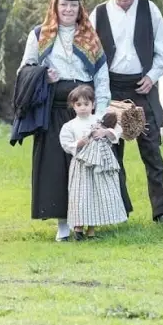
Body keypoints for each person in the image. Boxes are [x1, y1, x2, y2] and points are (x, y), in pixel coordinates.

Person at [18, 0, 110, 243]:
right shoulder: (39, 35)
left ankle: (87, 221)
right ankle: (63, 225)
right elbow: (23, 70)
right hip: (54, 110)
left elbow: (102, 78)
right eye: (64, 4)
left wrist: (99, 116)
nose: (68, 9)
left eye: (73, 5)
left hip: (85, 110)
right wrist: (42, 76)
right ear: (55, 6)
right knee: (56, 167)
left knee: (85, 166)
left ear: (80, 8)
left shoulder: (91, 37)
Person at [89, 0, 163, 225]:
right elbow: (93, 54)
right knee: (113, 152)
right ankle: (119, 212)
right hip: (112, 87)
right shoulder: (99, 13)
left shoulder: (150, 10)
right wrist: (98, 88)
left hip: (143, 85)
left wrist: (152, 77)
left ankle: (162, 213)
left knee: (152, 152)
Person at [59, 85, 127, 240]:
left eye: (86, 104)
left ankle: (91, 230)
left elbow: (117, 131)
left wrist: (104, 132)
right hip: (81, 165)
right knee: (80, 195)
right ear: (73, 106)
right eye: (79, 105)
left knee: (95, 196)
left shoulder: (99, 120)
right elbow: (66, 143)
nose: (83, 108)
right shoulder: (70, 125)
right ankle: (78, 229)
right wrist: (79, 143)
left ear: (93, 104)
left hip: (99, 164)